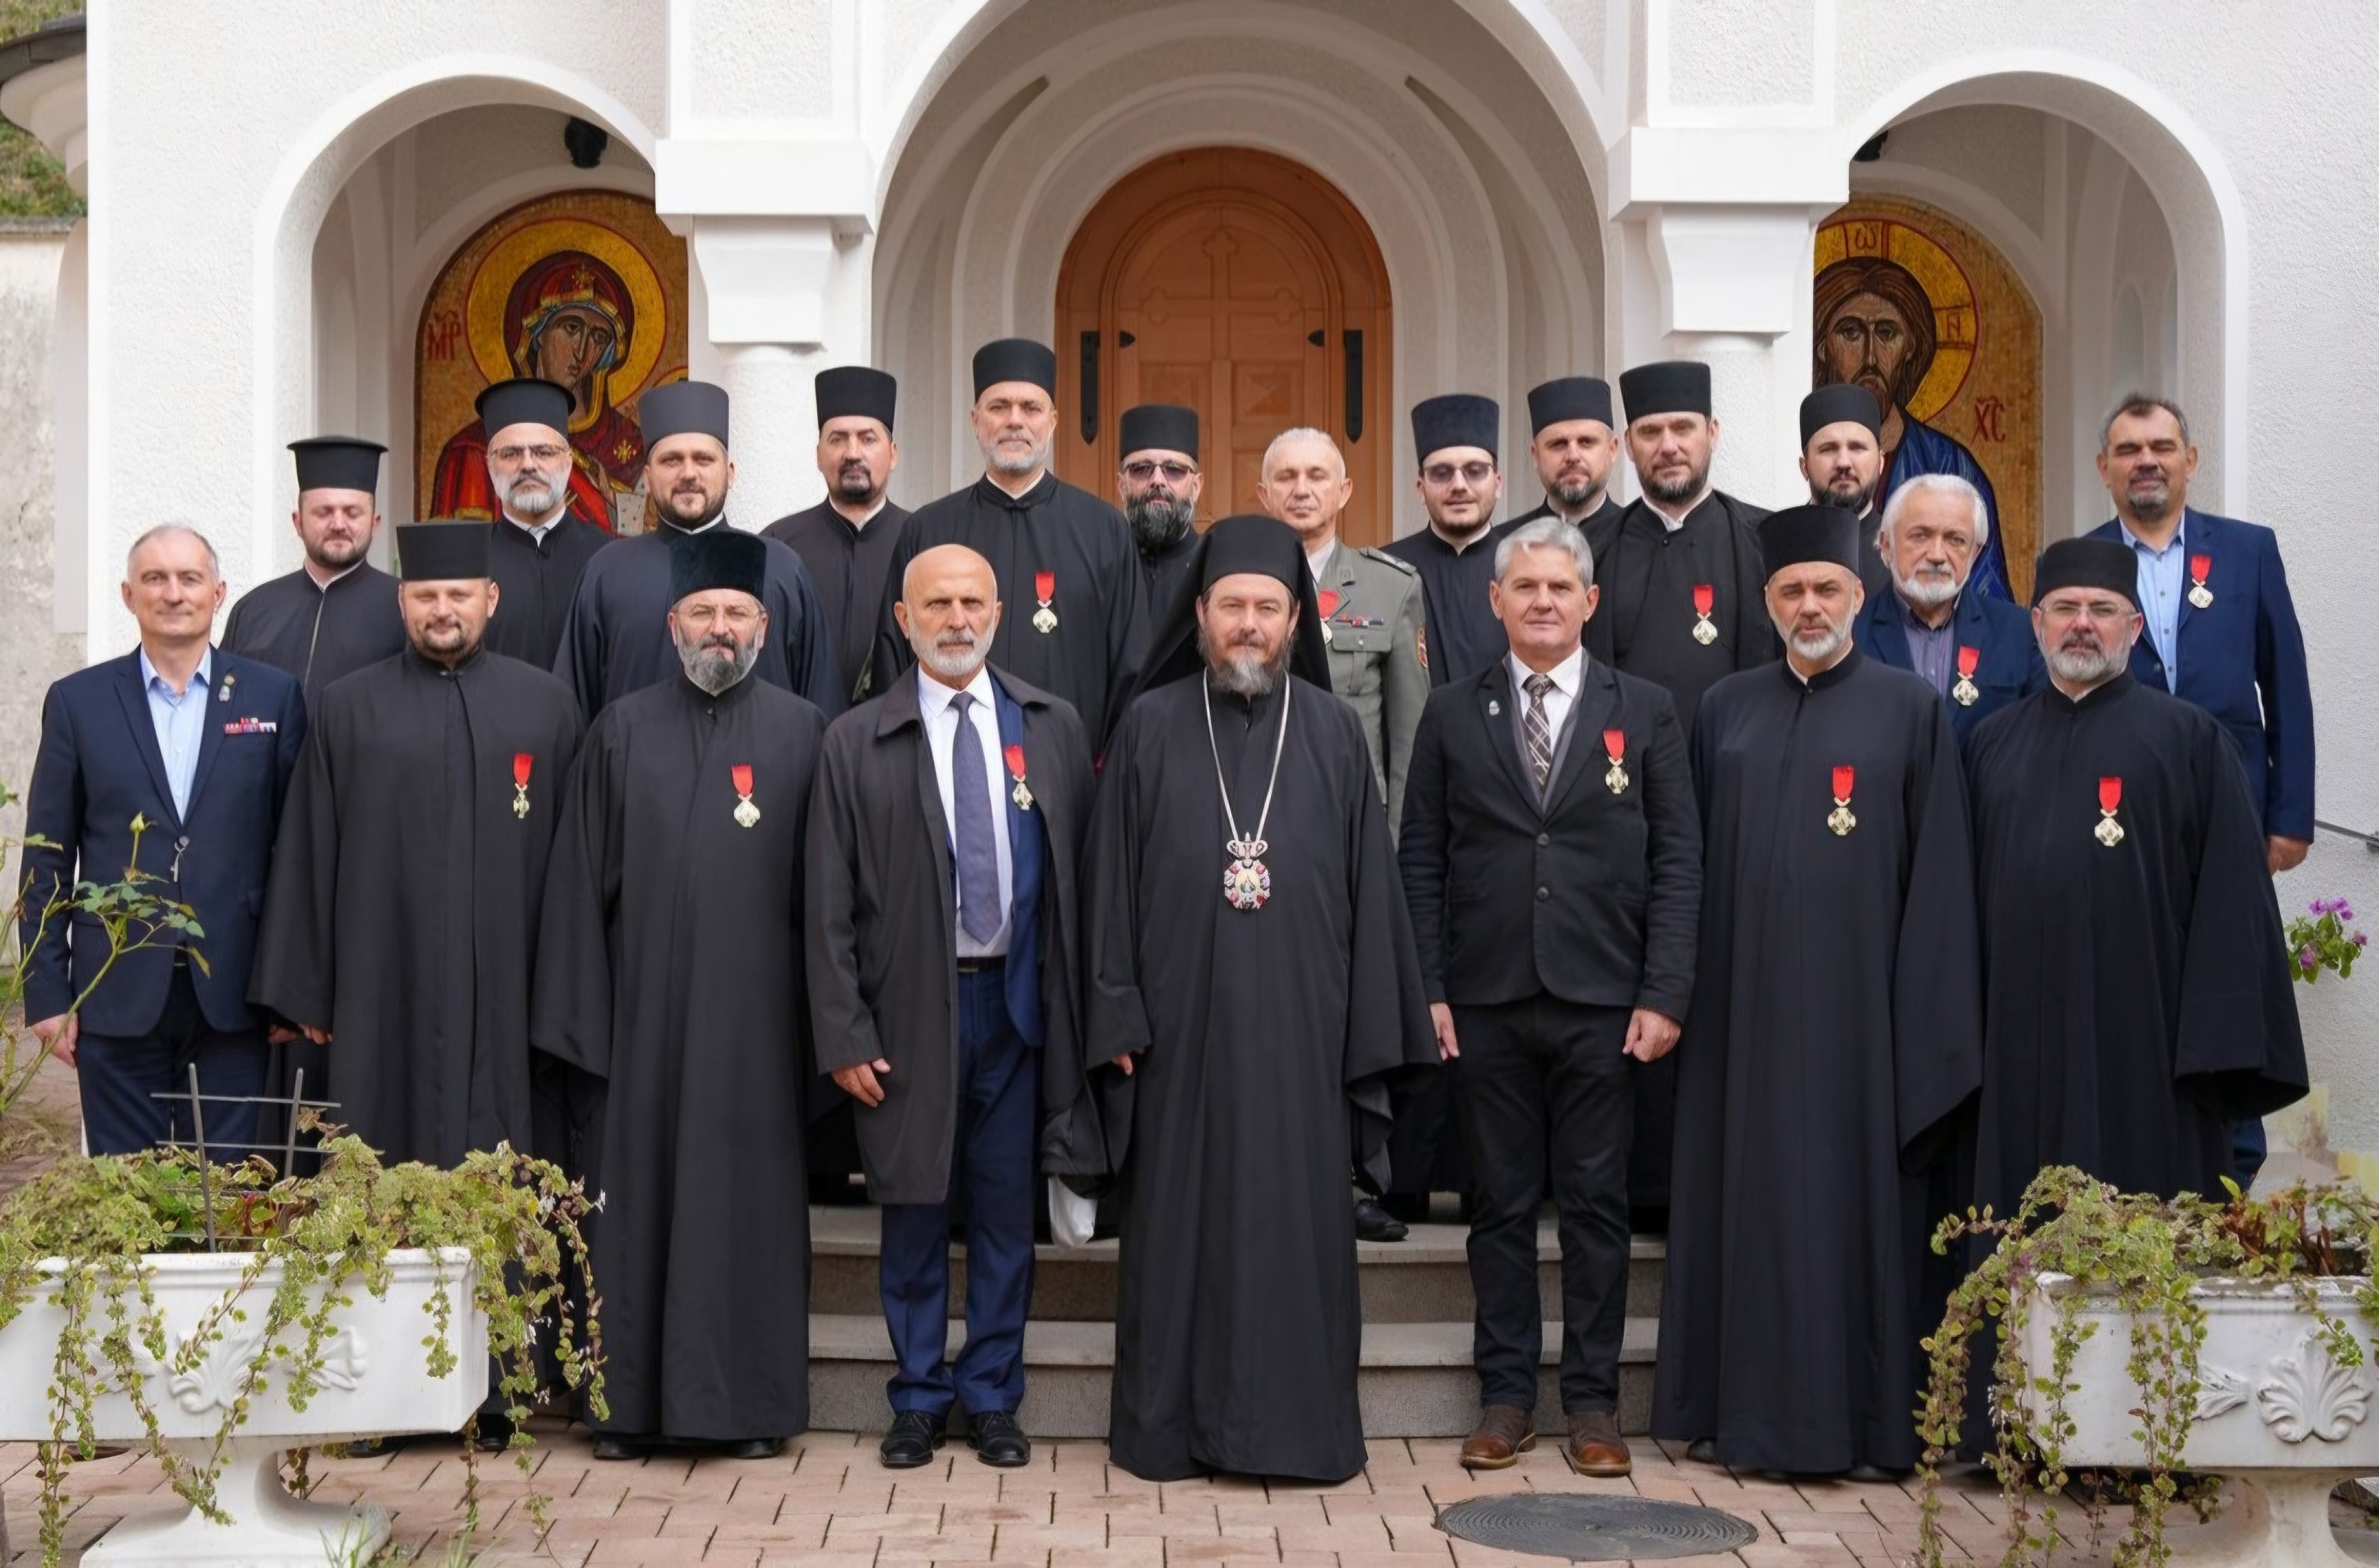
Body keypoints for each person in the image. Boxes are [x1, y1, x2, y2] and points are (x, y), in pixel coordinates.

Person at [1075, 515, 1435, 1482]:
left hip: (1304, 1038)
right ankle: (1171, 1432)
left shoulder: (1333, 732)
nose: (1248, 624)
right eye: (1231, 605)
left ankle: (1294, 1431)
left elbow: (1370, 895)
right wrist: (1114, 1009)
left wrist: (1367, 1032)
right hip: (1177, 1037)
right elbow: (1108, 886)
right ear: (1200, 615)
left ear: (1295, 621)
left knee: (1295, 1233)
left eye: (1266, 608)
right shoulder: (1150, 725)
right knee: (1177, 1231)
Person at [1653, 505, 1980, 1481]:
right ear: (1766, 601)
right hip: (1741, 1022)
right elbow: (1688, 863)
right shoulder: (1725, 709)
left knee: (1855, 1220)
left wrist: (1923, 1029)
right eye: (1792, 590)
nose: (1809, 606)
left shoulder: (1910, 711)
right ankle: (1737, 1420)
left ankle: (1864, 1428)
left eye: (1826, 589)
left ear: (1857, 595)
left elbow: (1940, 881)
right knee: (1744, 1210)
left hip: (1862, 1029)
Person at [1401, 517, 1700, 1478]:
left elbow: (1678, 858)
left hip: (1604, 999)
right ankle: (1505, 1399)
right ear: (1496, 601)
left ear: (1589, 601)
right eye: (1524, 587)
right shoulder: (1452, 712)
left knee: (1596, 1207)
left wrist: (1664, 990)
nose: (1542, 601)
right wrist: (1429, 987)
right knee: (1498, 1206)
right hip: (1485, 997)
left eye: (1559, 587)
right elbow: (1421, 859)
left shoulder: (1644, 709)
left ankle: (1593, 1405)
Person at [533, 529, 828, 1461]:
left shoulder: (806, 733)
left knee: (746, 1219)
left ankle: (747, 1409)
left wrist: (817, 1031)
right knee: (630, 1216)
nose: (720, 628)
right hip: (640, 1029)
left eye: (737, 613)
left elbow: (828, 899)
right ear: (673, 625)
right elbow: (577, 888)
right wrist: (584, 1034)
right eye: (703, 612)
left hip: (757, 1032)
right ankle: (622, 1409)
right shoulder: (619, 730)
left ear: (765, 627)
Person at [806, 544, 1095, 1473]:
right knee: (915, 1210)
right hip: (906, 1019)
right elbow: (827, 902)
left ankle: (993, 1395)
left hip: (1018, 1011)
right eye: (937, 604)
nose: (957, 619)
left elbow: (1084, 885)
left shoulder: (1049, 726)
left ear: (1000, 613)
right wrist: (844, 1031)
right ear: (904, 619)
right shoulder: (856, 739)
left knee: (1008, 1214)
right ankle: (920, 1396)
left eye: (973, 602)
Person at [1965, 537, 2305, 1222]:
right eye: (2065, 608)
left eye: (2103, 609)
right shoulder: (1988, 745)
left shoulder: (2192, 742)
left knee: (2146, 1233)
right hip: (2016, 1047)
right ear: (2037, 624)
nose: (2082, 624)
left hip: (2147, 1048)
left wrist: (2212, 1058)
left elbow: (2232, 907)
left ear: (2135, 626)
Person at [251, 520, 584, 1170]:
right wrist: (305, 989)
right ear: (402, 601)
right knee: (379, 1143)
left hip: (511, 982)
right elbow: (310, 847)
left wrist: (564, 994)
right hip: (382, 977)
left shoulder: (548, 708)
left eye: (459, 595)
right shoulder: (348, 708)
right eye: (427, 595)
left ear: (491, 598)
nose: (442, 610)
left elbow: (574, 862)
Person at [2085, 394, 2314, 1185]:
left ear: (2190, 459)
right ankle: (2139, 1156)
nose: (2146, 461)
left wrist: (2290, 817)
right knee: (2137, 985)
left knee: (2231, 983)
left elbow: (2287, 686)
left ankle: (2234, 1164)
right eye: (2129, 450)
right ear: (2104, 468)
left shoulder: (2249, 552)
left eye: (2161, 447)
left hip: (2235, 816)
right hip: (2124, 820)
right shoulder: (2083, 560)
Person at [23, 525, 306, 1161]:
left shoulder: (273, 696)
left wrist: (291, 986)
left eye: (189, 578)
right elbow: (47, 857)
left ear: (218, 593)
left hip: (237, 994)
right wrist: (46, 993)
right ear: (128, 595)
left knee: (227, 1194)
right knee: (126, 1194)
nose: (173, 593)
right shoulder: (77, 702)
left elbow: (297, 853)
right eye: (155, 579)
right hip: (114, 992)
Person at [1590, 360, 1775, 1233]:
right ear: (1628, 446)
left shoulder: (1760, 541)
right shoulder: (1595, 549)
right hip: (1620, 824)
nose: (1669, 446)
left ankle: (1725, 1178)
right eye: (1652, 432)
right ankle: (1646, 1191)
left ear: (1712, 436)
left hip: (1734, 813)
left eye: (1683, 429)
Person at [1258, 425, 1429, 1245]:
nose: (1302, 489)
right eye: (1287, 476)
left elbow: (1409, 741)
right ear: (1263, 494)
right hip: (1253, 840)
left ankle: (1352, 1177)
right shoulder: (1236, 582)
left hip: (1348, 849)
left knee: (1344, 1019)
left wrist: (1389, 862)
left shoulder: (1390, 589)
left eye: (1317, 475)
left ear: (1345, 490)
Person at [874, 339, 1149, 748]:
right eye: (999, 407)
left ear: (1052, 421)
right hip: (951, 767)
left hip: (1072, 770)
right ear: (976, 420)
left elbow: (1131, 673)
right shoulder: (928, 531)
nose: (1014, 421)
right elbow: (893, 662)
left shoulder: (1105, 531)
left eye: (1031, 408)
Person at [552, 379, 843, 718]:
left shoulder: (780, 569)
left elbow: (822, 711)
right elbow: (572, 714)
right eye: (671, 461)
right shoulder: (606, 574)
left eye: (704, 459)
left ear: (730, 472)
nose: (689, 473)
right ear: (648, 477)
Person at [1813, 254, 2012, 598]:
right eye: (1851, 332)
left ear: (1910, 348)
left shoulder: (1953, 466)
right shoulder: (1802, 456)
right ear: (1822, 349)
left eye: (1887, 334)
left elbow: (1986, 599)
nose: (1871, 357)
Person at [1854, 474, 2044, 741]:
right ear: (1887, 545)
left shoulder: (2018, 633)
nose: (1937, 555)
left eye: (1956, 540)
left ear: (1975, 553)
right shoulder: (1853, 635)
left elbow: (2040, 739)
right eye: (1920, 536)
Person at [764, 366, 912, 705]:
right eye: (838, 439)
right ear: (818, 455)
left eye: (868, 438)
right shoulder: (777, 545)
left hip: (900, 733)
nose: (853, 453)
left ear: (893, 454)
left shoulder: (924, 541)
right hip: (802, 733)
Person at [221, 436, 405, 701]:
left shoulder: (404, 608)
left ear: (375, 524)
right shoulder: (252, 611)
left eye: (352, 513)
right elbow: (224, 703)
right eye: (323, 512)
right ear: (298, 523)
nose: (338, 525)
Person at [472, 378, 620, 671]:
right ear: (489, 465)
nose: (528, 465)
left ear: (568, 463)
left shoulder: (608, 558)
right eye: (511, 453)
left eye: (544, 452)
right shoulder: (469, 565)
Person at [1382, 394, 1507, 689]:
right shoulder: (1386, 571)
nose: (1459, 486)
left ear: (1497, 484)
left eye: (1475, 471)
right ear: (1420, 488)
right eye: (1441, 473)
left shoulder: (1528, 569)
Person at [1503, 377, 1623, 548]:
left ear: (1612, 450)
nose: (1573, 456)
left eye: (1586, 442)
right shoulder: (1506, 545)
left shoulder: (1647, 543)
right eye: (1558, 444)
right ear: (1535, 455)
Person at [1797, 384, 1889, 594]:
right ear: (1805, 467)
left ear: (1880, 464)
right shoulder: (1777, 547)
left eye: (1857, 448)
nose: (1844, 463)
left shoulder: (1906, 553)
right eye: (1828, 449)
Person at [1117, 402, 1204, 617]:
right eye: (1141, 469)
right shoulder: (1101, 568)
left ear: (1196, 487)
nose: (1158, 480)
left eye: (1174, 469)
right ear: (1122, 486)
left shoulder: (1213, 568)